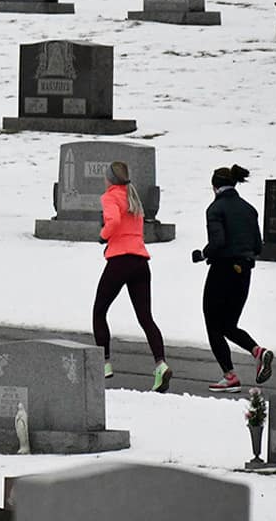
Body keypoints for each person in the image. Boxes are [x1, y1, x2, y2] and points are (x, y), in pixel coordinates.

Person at [192, 164, 273, 392]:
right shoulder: (249, 209)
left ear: (214, 186)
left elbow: (218, 243)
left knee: (212, 322)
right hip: (244, 272)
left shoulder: (215, 209)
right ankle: (258, 352)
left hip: (222, 271)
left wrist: (202, 254)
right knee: (228, 324)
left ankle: (229, 376)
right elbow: (258, 246)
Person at [94, 161, 171, 392]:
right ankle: (160, 364)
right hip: (140, 261)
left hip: (120, 260)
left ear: (109, 179)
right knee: (145, 317)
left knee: (99, 310)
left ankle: (104, 363)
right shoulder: (132, 197)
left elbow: (114, 222)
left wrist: (103, 235)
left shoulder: (109, 197)